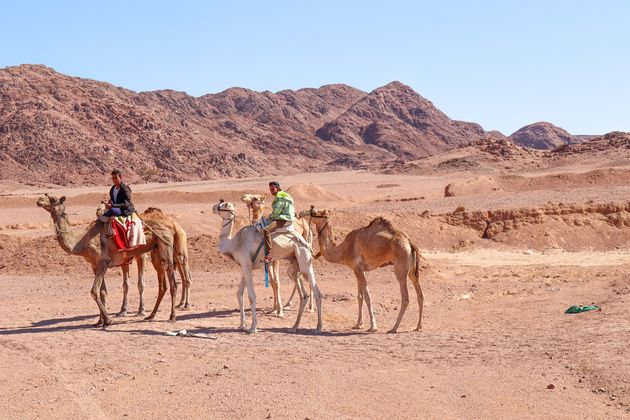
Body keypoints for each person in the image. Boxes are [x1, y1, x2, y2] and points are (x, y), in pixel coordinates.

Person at [262, 181, 294, 263]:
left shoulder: (280, 197)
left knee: (266, 230)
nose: (271, 191)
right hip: (286, 217)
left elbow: (276, 212)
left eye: (273, 189)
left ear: (278, 188)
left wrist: (269, 217)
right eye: (270, 189)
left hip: (283, 219)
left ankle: (269, 254)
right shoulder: (285, 195)